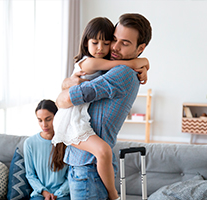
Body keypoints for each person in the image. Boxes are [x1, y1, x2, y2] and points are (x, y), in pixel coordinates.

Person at [56, 13, 152, 200]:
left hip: (89, 169)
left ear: (141, 47)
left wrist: (62, 93)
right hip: (86, 167)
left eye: (125, 43)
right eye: (114, 39)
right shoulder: (113, 66)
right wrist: (144, 62)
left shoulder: (122, 72)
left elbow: (64, 100)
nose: (114, 47)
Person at [24, 99, 70, 200]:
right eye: (40, 120)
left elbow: (71, 174)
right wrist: (45, 193)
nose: (44, 125)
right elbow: (30, 175)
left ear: (57, 117)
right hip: (39, 194)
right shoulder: (29, 143)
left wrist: (58, 193)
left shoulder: (67, 141)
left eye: (48, 119)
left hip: (62, 195)